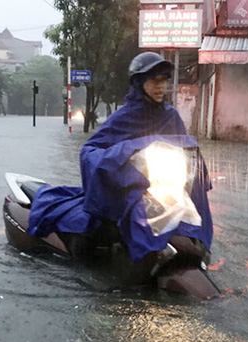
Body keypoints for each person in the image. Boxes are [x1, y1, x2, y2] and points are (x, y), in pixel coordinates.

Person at [27, 52, 212, 264]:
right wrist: (121, 155)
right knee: (94, 230)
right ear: (139, 82)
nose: (161, 87)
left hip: (161, 188)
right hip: (129, 187)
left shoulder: (171, 117)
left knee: (188, 220)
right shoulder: (123, 117)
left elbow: (184, 149)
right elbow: (90, 150)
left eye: (164, 80)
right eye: (154, 80)